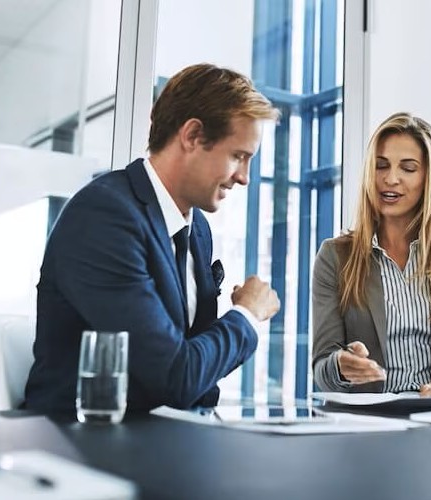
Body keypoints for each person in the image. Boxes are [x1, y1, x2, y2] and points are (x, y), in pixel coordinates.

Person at [25, 63, 281, 412]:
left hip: (169, 440)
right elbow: (176, 376)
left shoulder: (197, 229)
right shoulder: (105, 217)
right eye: (238, 156)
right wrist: (246, 315)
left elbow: (196, 377)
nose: (244, 178)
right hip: (85, 446)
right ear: (192, 136)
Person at [311, 112, 431, 396]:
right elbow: (322, 367)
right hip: (370, 424)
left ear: (428, 178)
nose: (391, 179)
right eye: (381, 166)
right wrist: (341, 365)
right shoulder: (335, 256)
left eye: (408, 168)